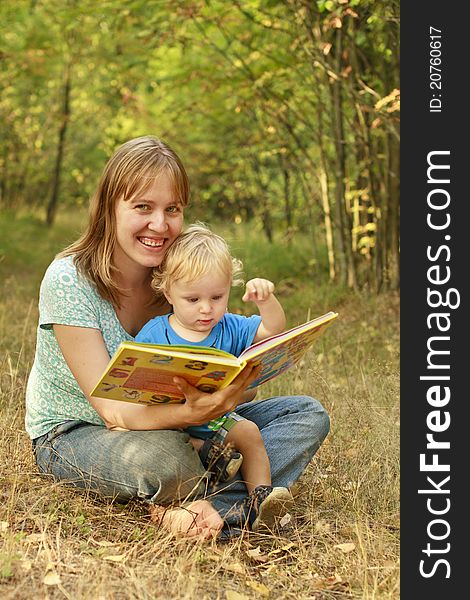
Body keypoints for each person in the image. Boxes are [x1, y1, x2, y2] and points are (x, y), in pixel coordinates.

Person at [25, 135, 330, 539]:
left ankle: (205, 509)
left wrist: (233, 389)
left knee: (305, 415)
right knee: (164, 456)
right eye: (142, 208)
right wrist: (193, 415)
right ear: (109, 209)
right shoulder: (69, 280)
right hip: (80, 431)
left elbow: (227, 370)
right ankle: (232, 503)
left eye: (173, 209)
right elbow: (113, 412)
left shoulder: (181, 280)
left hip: (191, 425)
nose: (160, 224)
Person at [135, 223, 293, 531]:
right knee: (168, 454)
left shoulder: (230, 326)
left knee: (249, 432)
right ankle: (198, 484)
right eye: (193, 300)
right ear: (169, 292)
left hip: (218, 421)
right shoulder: (154, 334)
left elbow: (273, 331)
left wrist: (266, 300)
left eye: (217, 297)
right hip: (171, 428)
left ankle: (260, 500)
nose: (206, 309)